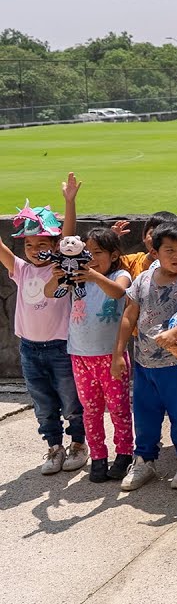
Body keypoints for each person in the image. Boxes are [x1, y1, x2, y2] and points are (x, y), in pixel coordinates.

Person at [113, 223, 177, 491]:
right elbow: (129, 314)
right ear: (154, 251)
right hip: (144, 363)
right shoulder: (143, 278)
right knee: (145, 415)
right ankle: (144, 460)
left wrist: (176, 333)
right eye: (170, 250)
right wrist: (118, 352)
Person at [1, 174, 83, 474]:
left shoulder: (60, 265)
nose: (35, 249)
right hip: (29, 350)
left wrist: (69, 202)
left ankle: (78, 443)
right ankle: (53, 446)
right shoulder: (20, 270)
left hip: (60, 348)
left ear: (54, 245)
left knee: (71, 401)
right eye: (29, 244)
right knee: (43, 405)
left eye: (42, 243)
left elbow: (69, 236)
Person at [49, 227, 134, 483]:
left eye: (98, 252)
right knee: (91, 410)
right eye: (89, 252)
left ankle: (124, 454)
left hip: (111, 357)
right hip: (80, 356)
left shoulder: (121, 275)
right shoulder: (76, 277)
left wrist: (94, 275)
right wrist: (58, 276)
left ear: (115, 254)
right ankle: (98, 456)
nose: (92, 257)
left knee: (119, 410)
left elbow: (118, 292)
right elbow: (49, 292)